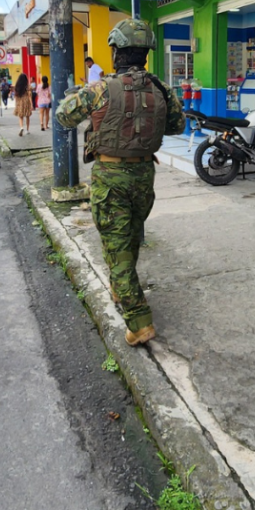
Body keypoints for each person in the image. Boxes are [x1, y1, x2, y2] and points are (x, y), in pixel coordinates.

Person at [56, 19, 185, 346]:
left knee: (117, 248)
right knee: (126, 240)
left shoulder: (100, 89)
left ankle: (139, 322)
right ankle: (121, 287)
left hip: (110, 179)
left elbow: (64, 116)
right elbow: (177, 126)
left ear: (115, 52)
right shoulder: (160, 88)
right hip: (144, 176)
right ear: (145, 54)